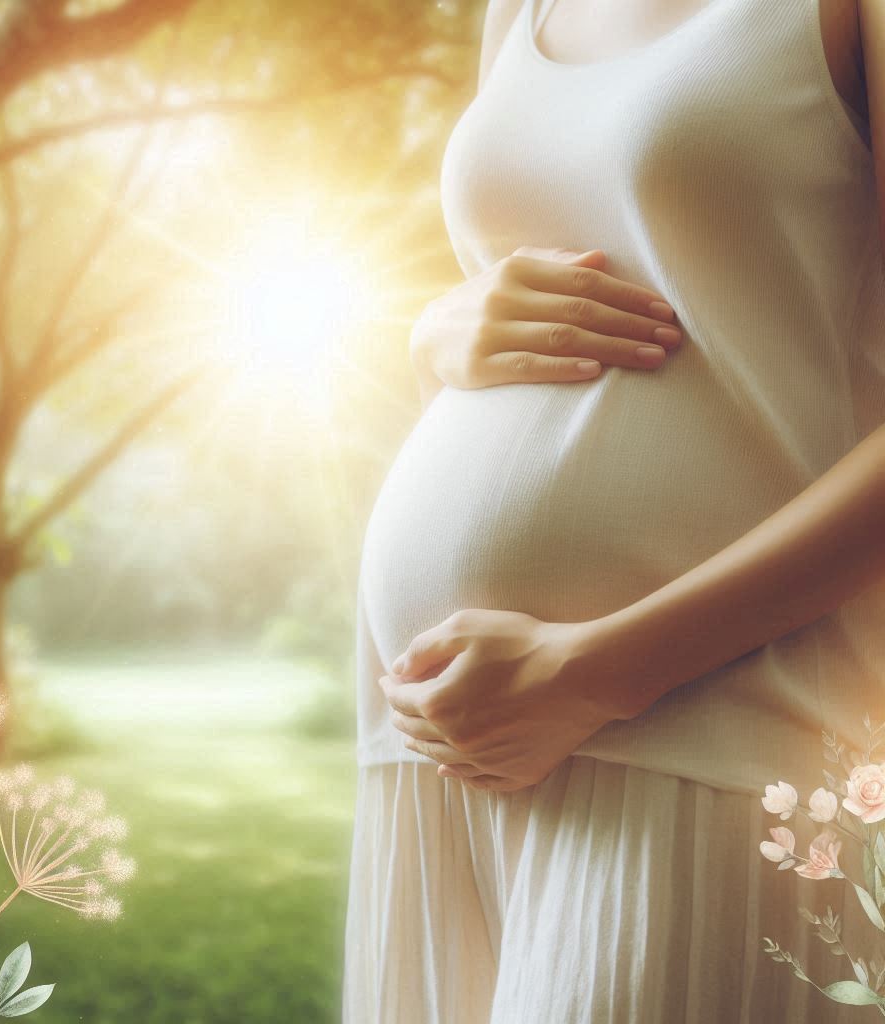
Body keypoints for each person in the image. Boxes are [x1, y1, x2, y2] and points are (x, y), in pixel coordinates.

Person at [342, 0, 885, 1020]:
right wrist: (432, 337)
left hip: (712, 728)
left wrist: (594, 671)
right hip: (443, 744)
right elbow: (531, 309)